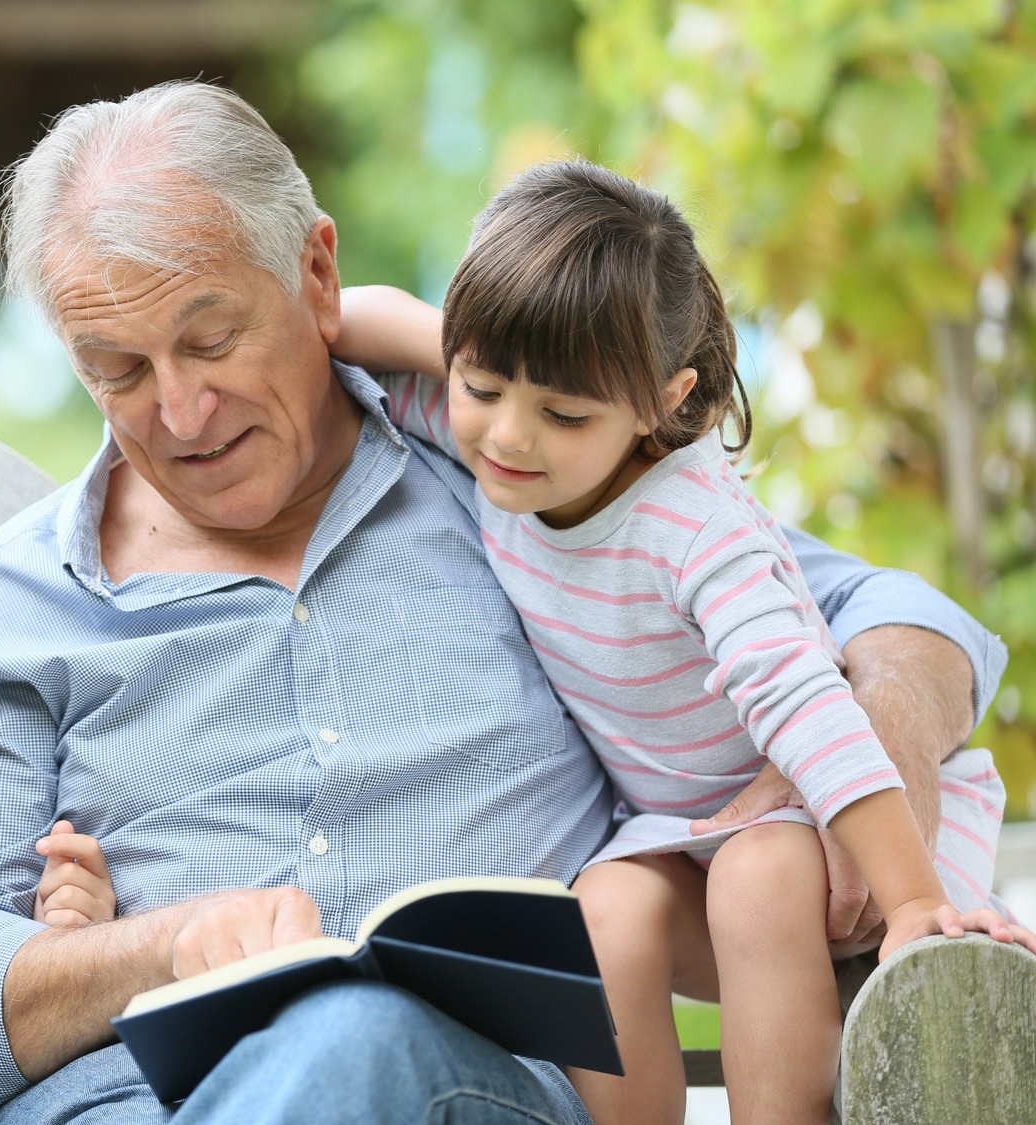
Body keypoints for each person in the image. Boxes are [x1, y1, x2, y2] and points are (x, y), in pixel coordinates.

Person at [0, 81, 1008, 1125]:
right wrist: (166, 949)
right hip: (128, 1101)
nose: (177, 412)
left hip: (469, 1087)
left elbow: (899, 619)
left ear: (317, 278)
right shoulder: (13, 608)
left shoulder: (516, 476)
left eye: (211, 340)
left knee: (355, 1034)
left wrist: (867, 776)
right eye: (114, 370)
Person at [330, 161, 1032, 1124]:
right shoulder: (490, 440)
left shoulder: (697, 529)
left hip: (833, 824)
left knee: (756, 877)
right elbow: (347, 331)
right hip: (680, 834)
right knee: (602, 916)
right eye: (480, 384)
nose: (510, 438)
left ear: (664, 399)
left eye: (564, 415)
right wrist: (451, 345)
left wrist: (910, 899)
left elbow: (801, 701)